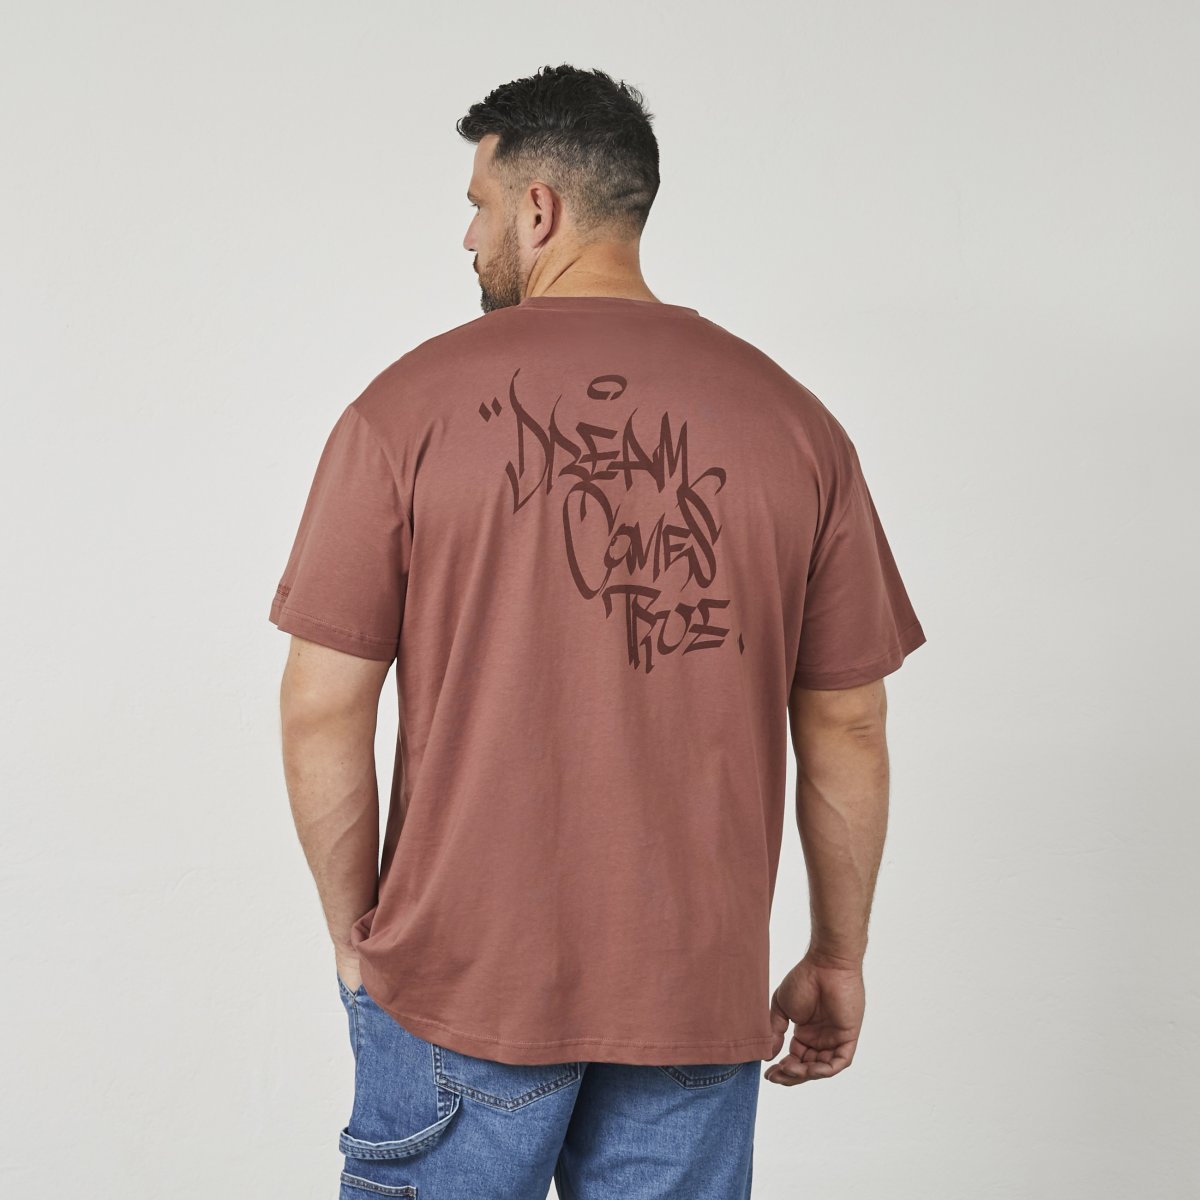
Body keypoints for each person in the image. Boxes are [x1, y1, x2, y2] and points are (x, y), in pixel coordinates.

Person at [269, 62, 927, 1200]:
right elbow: (849, 727)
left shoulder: (402, 411)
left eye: (478, 204)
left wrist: (354, 938)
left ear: (539, 209)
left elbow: (321, 704)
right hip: (693, 994)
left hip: (458, 982)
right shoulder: (797, 426)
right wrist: (836, 954)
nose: (467, 236)